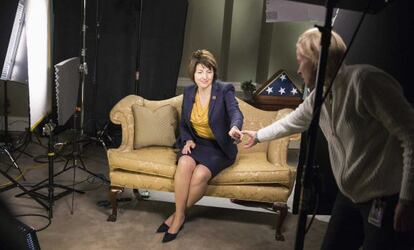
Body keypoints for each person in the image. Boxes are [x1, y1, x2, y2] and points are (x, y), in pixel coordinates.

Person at [243, 28, 414, 250]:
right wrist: (257, 136)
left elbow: (411, 134)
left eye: (300, 61)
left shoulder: (364, 81)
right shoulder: (319, 95)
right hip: (349, 195)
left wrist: (408, 199)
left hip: (386, 198)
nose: (298, 69)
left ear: (317, 60)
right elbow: (292, 121)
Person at [156, 49, 244, 243]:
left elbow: (235, 112)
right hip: (197, 143)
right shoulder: (188, 92)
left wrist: (235, 127)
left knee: (200, 174)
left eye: (209, 71)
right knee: (185, 163)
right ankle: (180, 215)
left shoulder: (224, 90)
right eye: (200, 72)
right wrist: (187, 139)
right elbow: (184, 124)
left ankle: (177, 216)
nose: (205, 76)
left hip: (219, 148)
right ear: (193, 74)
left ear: (214, 72)